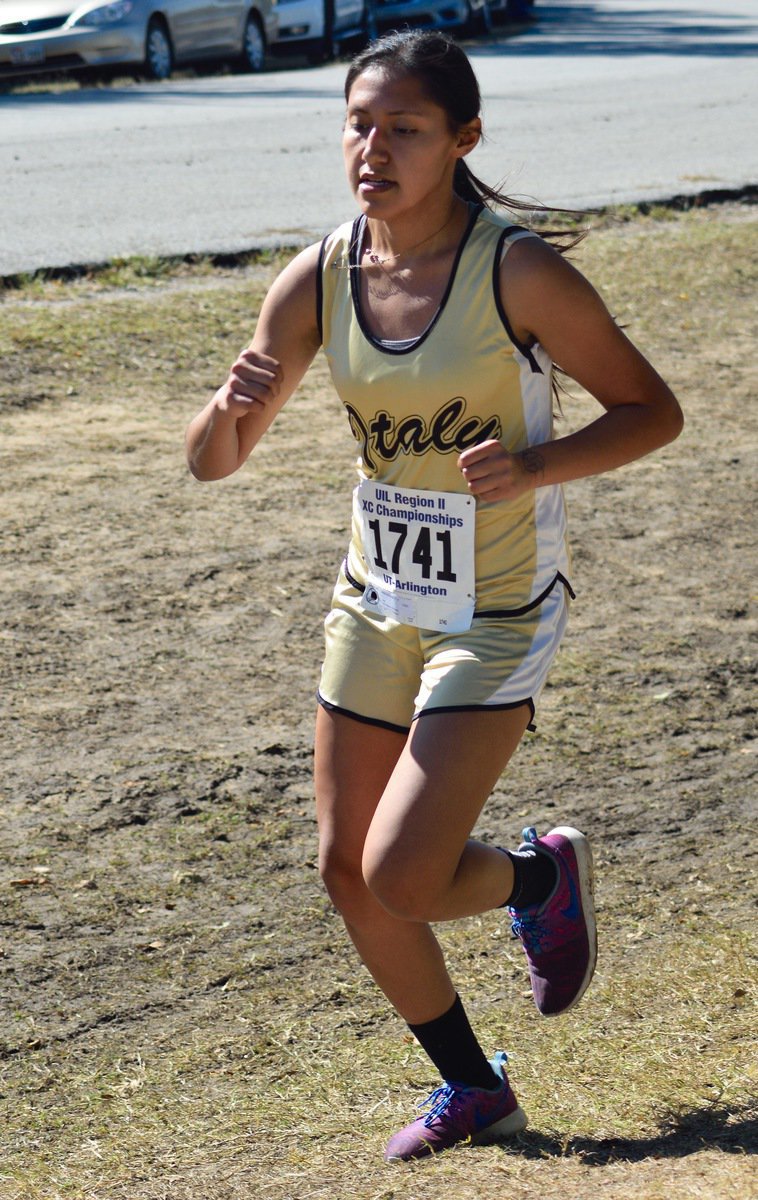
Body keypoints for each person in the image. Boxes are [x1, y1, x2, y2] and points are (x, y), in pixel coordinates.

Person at [185, 29, 683, 1163]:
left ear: (460, 140)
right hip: (376, 600)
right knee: (341, 870)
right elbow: (212, 462)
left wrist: (536, 468)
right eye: (359, 124)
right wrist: (228, 407)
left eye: (403, 128)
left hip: (497, 607)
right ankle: (475, 1089)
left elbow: (651, 411)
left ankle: (535, 875)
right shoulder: (317, 275)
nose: (373, 148)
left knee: (402, 873)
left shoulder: (517, 272)